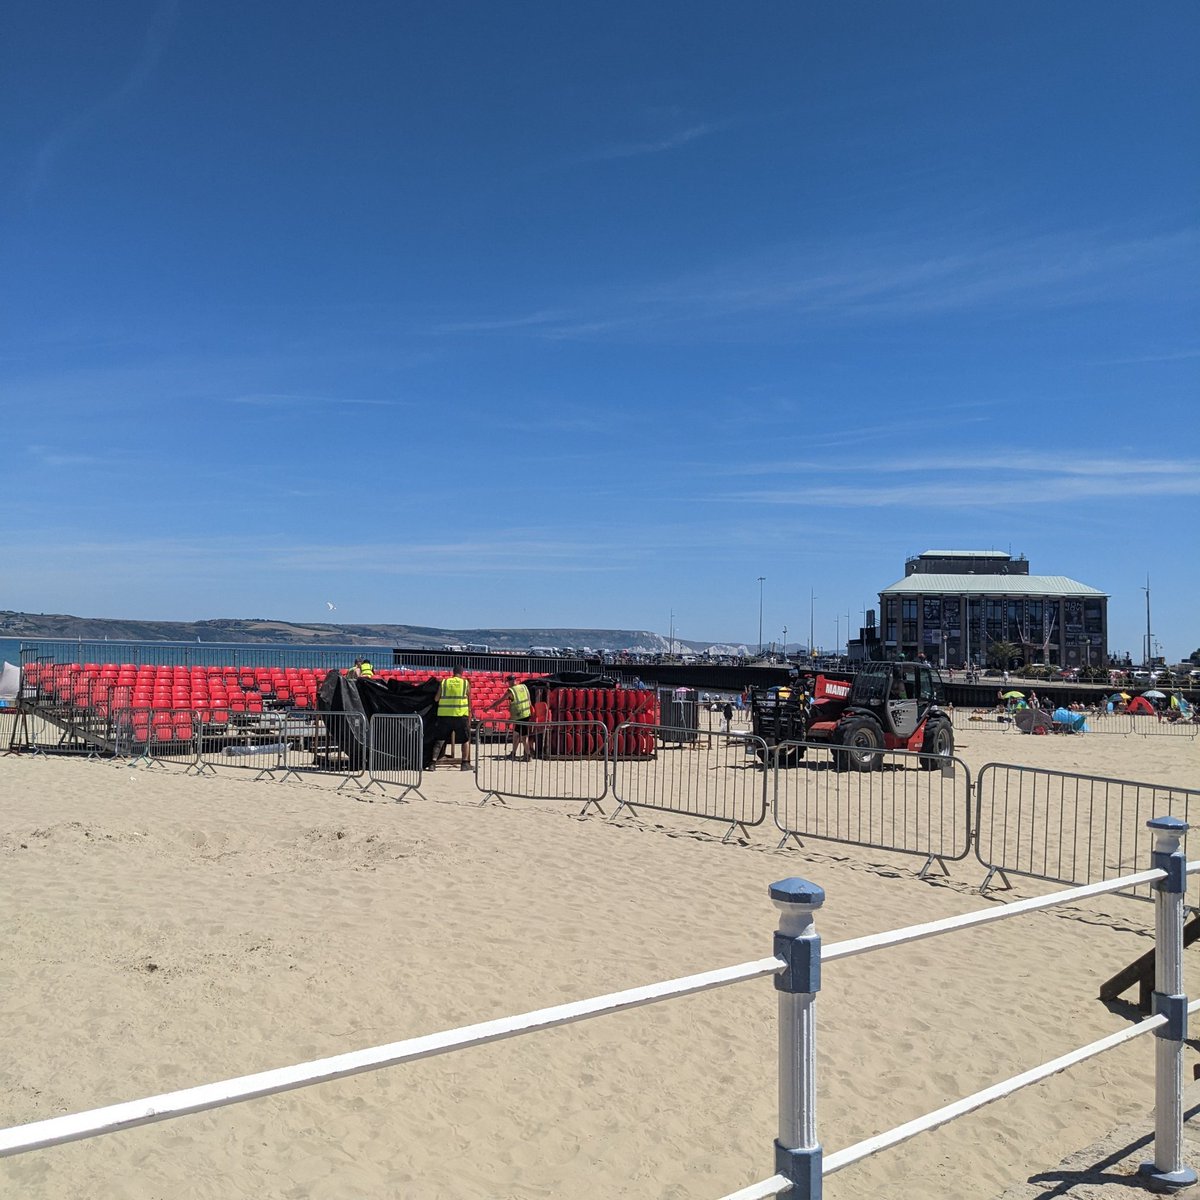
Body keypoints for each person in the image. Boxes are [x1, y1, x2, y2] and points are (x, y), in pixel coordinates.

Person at [430, 666, 471, 770]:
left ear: (453, 672)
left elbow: (436, 698)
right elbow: (469, 700)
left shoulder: (444, 682)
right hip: (460, 715)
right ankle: (465, 763)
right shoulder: (465, 683)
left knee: (440, 739)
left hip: (444, 715)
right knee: (465, 740)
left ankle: (432, 763)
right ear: (462, 672)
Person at [488, 674, 535, 760]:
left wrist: (490, 707)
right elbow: (529, 700)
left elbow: (500, 701)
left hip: (520, 716)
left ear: (509, 681)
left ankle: (528, 755)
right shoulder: (524, 687)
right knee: (516, 734)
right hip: (526, 714)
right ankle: (514, 753)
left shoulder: (511, 691)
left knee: (523, 736)